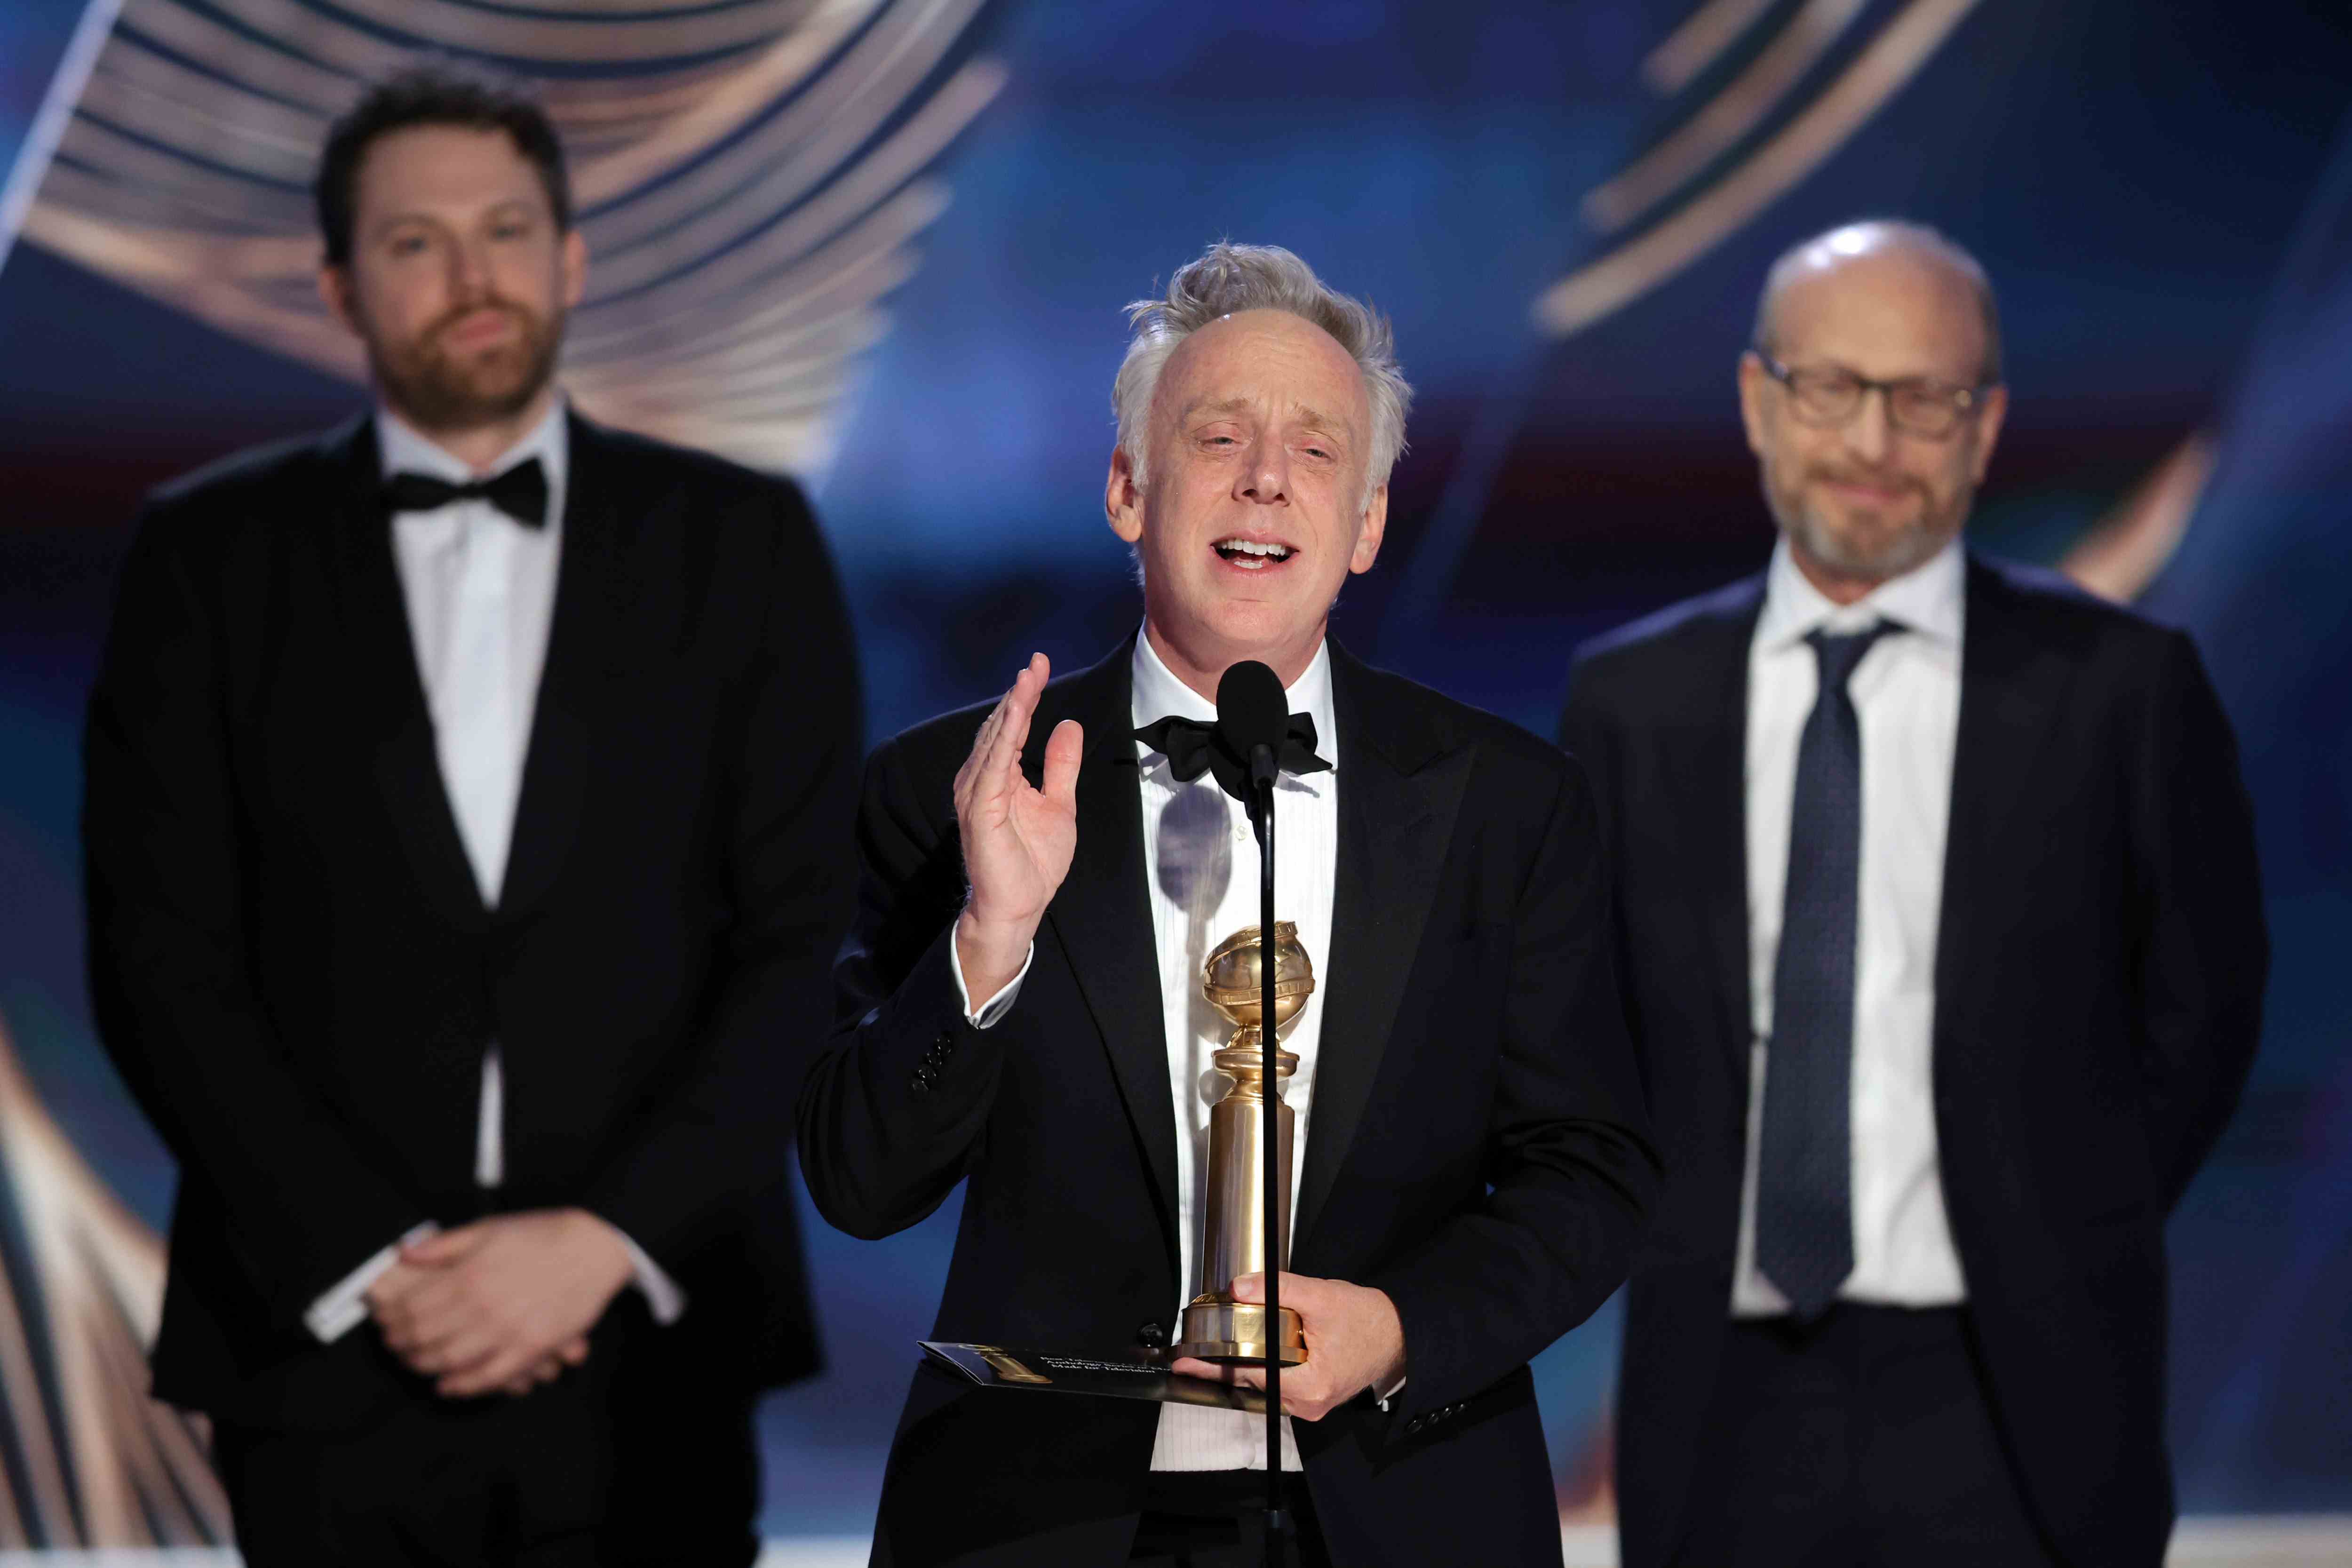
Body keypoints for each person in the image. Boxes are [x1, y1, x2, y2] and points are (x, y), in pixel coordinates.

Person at [80, 67, 861, 1566]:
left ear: (570, 259)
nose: (472, 275)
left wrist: (597, 1244)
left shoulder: (741, 541)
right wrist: (379, 1262)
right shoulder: (206, 556)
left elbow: (801, 935)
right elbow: (161, 955)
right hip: (322, 1360)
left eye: (506, 229)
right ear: (338, 286)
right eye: (415, 241)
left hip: (657, 1341)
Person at [799, 242, 1658, 1567]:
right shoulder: (955, 787)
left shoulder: (1509, 802)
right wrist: (993, 939)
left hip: (1403, 1502)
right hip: (1046, 1518)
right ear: (1129, 491)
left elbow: (1589, 1174)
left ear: (1367, 524)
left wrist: (1400, 1328)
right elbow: (859, 1183)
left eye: (1317, 450)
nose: (1267, 475)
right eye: (1219, 436)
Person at [1559, 220, 2267, 1568]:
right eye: (1833, 389)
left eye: (1924, 399)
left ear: (1985, 425)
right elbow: (1588, 1035)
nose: (1876, 444)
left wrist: (2062, 1211)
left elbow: (2205, 1017)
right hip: (1720, 1396)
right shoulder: (1630, 700)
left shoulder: (2123, 687)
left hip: (2024, 1398)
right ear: (1761, 401)